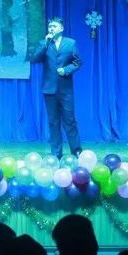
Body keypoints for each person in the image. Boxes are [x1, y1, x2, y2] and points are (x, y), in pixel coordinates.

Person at [31, 17, 82, 159]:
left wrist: (66, 70)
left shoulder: (71, 43)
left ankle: (76, 151)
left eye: (54, 26)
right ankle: (56, 153)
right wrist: (45, 43)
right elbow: (35, 59)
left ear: (61, 28)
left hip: (66, 90)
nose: (51, 28)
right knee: (53, 122)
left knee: (70, 121)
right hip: (49, 89)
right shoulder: (45, 43)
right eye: (50, 26)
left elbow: (78, 62)